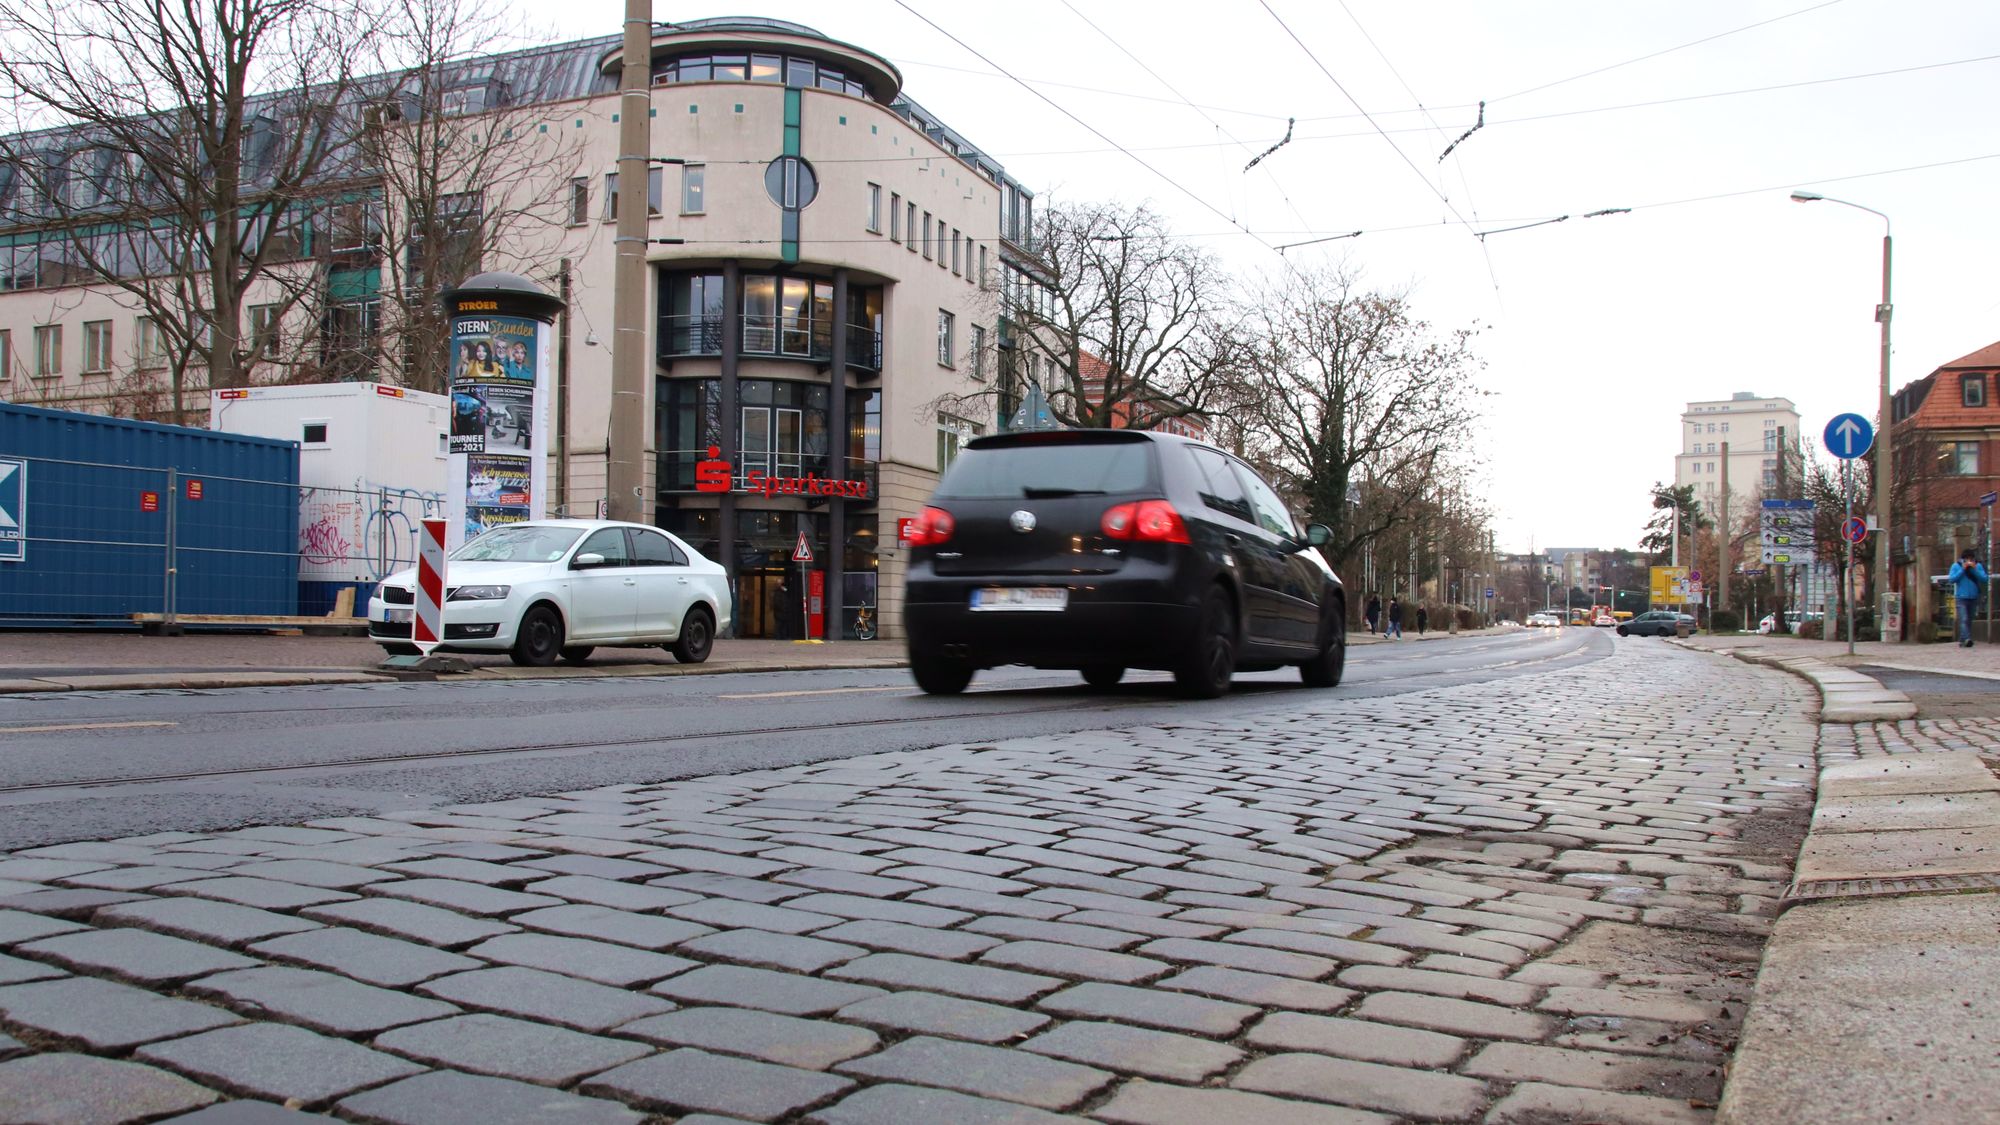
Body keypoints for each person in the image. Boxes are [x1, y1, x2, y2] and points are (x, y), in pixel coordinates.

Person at [1949, 548, 1988, 647]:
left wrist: (1974, 569)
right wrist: (1963, 569)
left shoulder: (1978, 566)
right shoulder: (1956, 566)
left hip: (1973, 597)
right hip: (1961, 597)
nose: (1969, 561)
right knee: (1964, 619)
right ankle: (1967, 638)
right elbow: (1952, 579)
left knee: (1969, 620)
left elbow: (1984, 578)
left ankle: (1963, 640)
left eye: (1971, 559)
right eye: (1967, 559)